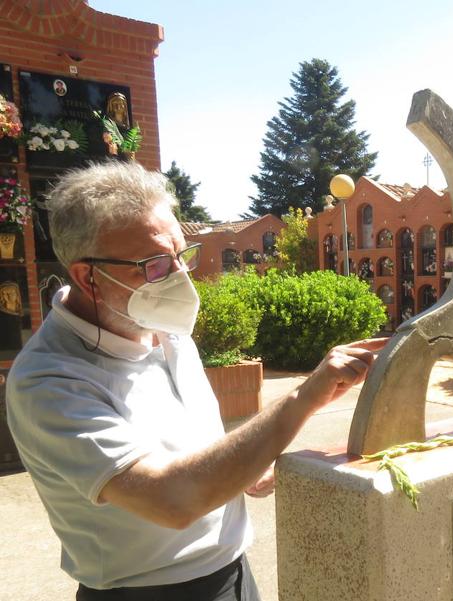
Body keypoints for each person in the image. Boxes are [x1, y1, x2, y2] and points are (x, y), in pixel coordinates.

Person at [6, 161, 385, 600]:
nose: (181, 279)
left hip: (234, 574)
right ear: (87, 276)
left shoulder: (163, 327)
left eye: (182, 255)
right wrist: (303, 397)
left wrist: (242, 471)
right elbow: (171, 499)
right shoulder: (48, 380)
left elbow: (192, 450)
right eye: (153, 265)